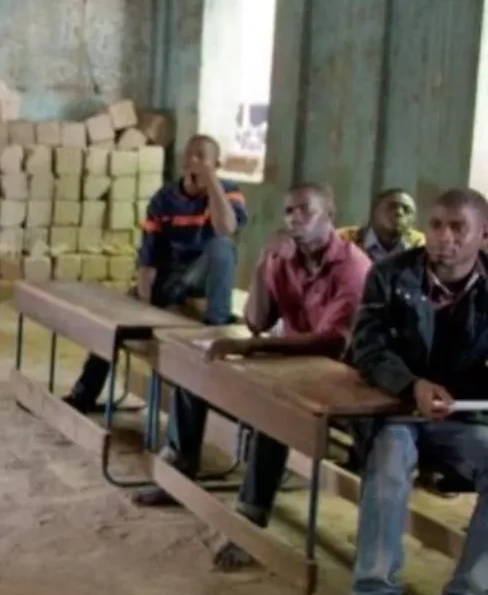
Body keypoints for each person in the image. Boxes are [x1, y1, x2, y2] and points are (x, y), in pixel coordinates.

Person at [181, 183, 368, 569]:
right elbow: (256, 321)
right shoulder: (287, 257)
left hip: (347, 373)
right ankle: (178, 460)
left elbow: (333, 342)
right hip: (298, 362)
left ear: (329, 215)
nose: (295, 219)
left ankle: (250, 517)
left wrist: (256, 348)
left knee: (275, 409)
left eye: (306, 211)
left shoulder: (353, 266)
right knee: (198, 363)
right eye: (288, 212)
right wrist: (266, 261)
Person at [348, 187, 488, 595]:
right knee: (390, 461)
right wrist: (412, 385)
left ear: (483, 234)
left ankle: (471, 588)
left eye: (458, 227)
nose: (445, 237)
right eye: (437, 225)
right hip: (397, 410)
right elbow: (368, 348)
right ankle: (374, 587)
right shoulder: (389, 275)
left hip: (461, 418)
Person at [63, 134, 247, 412]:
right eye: (189, 155)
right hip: (169, 280)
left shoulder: (229, 192)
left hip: (200, 280)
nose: (192, 161)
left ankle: (216, 322)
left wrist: (212, 183)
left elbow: (227, 229)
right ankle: (84, 393)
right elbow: (147, 257)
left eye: (201, 157)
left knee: (223, 246)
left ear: (216, 164)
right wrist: (145, 303)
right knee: (113, 321)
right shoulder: (165, 198)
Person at [338, 188, 424, 263]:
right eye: (392, 207)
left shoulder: (422, 246)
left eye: (406, 210)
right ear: (374, 211)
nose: (399, 213)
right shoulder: (343, 240)